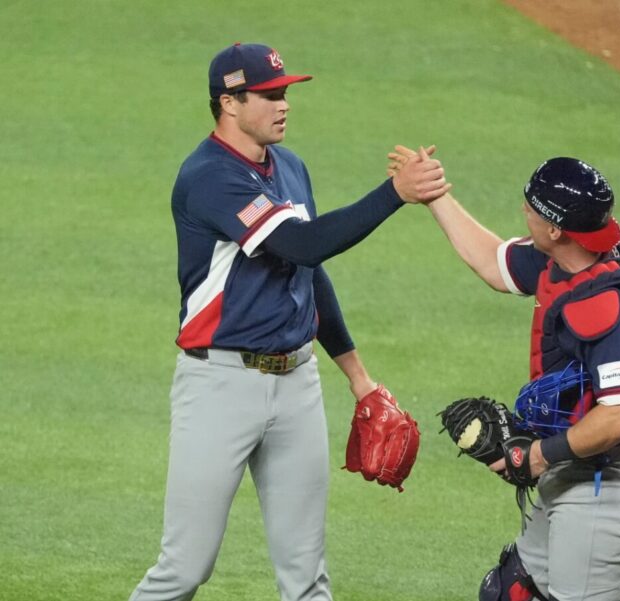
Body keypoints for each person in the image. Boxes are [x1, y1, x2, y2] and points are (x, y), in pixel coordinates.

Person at [128, 44, 449, 601]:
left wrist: (359, 377)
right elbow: (303, 242)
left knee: (307, 576)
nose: (284, 105)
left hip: (297, 386)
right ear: (229, 102)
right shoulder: (208, 178)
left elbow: (309, 271)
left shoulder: (292, 168)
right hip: (220, 387)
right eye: (270, 94)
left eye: (286, 93)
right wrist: (395, 193)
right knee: (184, 568)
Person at [389, 149, 620, 601]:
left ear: (556, 228)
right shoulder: (567, 257)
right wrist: (432, 194)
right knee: (511, 592)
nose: (523, 211)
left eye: (531, 207)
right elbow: (494, 263)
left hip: (607, 488)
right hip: (577, 469)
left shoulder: (603, 307)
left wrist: (539, 454)